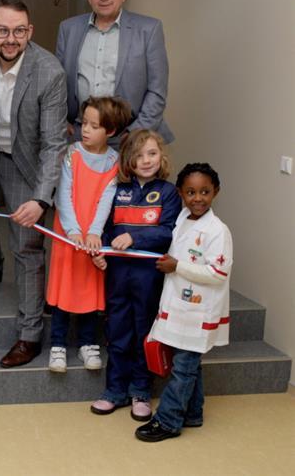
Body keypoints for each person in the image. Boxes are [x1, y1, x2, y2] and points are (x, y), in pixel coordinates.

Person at [0, 0, 67, 367]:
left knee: (28, 246)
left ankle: (30, 335)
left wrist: (41, 199)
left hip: (25, 162)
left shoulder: (49, 70)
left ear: (30, 32)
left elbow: (55, 143)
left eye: (19, 31)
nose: (11, 39)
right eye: (3, 31)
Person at [136, 163, 232, 442]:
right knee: (188, 365)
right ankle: (193, 413)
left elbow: (217, 273)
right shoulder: (180, 219)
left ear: (216, 192)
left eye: (204, 191)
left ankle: (168, 421)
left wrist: (177, 267)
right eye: (190, 192)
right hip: (178, 307)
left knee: (183, 368)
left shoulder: (217, 230)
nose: (197, 198)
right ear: (180, 193)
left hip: (199, 313)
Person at [89, 129, 181, 421]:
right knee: (117, 332)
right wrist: (100, 251)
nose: (146, 160)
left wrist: (134, 237)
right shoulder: (117, 190)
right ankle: (114, 390)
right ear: (128, 159)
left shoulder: (168, 192)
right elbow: (104, 229)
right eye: (139, 155)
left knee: (144, 332)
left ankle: (140, 391)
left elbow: (168, 232)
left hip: (148, 278)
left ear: (161, 156)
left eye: (152, 153)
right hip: (118, 275)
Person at [45, 97, 131, 373]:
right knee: (65, 286)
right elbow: (64, 195)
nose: (86, 130)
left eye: (95, 126)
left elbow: (107, 199)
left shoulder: (115, 162)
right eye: (84, 123)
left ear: (111, 131)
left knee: (90, 290)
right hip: (68, 234)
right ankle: (57, 344)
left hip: (93, 237)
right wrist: (72, 231)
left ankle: (87, 343)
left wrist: (94, 232)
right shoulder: (72, 154)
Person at [56, 0, 171, 147]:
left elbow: (157, 91)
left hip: (129, 135)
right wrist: (62, 121)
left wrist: (136, 133)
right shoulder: (68, 28)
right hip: (80, 134)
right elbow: (57, 84)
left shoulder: (149, 29)